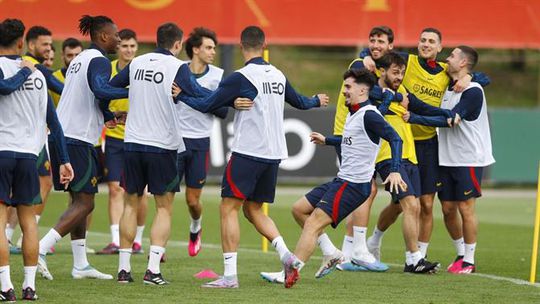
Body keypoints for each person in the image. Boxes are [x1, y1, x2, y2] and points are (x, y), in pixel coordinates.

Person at [179, 25, 329, 289]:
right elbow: (301, 102)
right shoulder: (277, 74)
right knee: (253, 209)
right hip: (273, 154)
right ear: (265, 45)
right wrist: (317, 100)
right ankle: (287, 255)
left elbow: (207, 104)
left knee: (228, 208)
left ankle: (229, 277)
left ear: (240, 46)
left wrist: (182, 96)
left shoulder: (240, 77)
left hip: (248, 152)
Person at [363, 28, 490, 260]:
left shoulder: (445, 70)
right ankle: (374, 240)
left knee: (427, 204)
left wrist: (470, 76)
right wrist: (366, 56)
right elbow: (378, 53)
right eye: (422, 40)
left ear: (440, 48)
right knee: (401, 203)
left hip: (430, 144)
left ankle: (420, 255)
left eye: (431, 41)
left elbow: (483, 77)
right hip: (404, 142)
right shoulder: (408, 62)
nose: (426, 44)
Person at [281, 68, 406, 288]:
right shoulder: (355, 112)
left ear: (362, 90)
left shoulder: (369, 115)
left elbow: (395, 139)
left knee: (312, 223)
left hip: (354, 185)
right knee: (299, 210)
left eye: (348, 87)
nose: (344, 91)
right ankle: (330, 253)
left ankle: (292, 270)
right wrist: (327, 140)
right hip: (342, 181)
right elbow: (351, 140)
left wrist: (395, 170)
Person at [110, 22, 211, 285]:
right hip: (162, 146)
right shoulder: (177, 67)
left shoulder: (137, 62)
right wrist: (231, 98)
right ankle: (152, 270)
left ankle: (123, 270)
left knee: (130, 204)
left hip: (131, 143)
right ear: (178, 45)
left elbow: (112, 86)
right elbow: (200, 95)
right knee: (164, 208)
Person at [37, 15, 128, 281]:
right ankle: (41, 248)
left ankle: (80, 265)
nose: (119, 39)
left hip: (65, 136)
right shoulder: (99, 60)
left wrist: (108, 114)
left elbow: (92, 96)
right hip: (77, 138)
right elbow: (100, 88)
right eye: (116, 34)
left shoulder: (79, 60)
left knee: (80, 200)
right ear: (103, 37)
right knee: (86, 202)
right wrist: (135, 90)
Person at [403, 46, 495, 274]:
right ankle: (461, 253)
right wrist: (409, 101)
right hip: (447, 158)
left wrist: (413, 117)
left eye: (452, 55)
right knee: (446, 209)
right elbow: (435, 111)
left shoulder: (472, 91)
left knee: (466, 207)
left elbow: (451, 120)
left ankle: (470, 261)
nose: (448, 58)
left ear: (463, 62)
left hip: (468, 158)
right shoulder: (450, 88)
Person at [0, 18, 73, 301]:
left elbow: (4, 88)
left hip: (3, 152)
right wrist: (63, 159)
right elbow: (54, 122)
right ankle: (29, 286)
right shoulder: (39, 75)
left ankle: (6, 287)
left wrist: (25, 72)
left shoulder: (27, 71)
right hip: (29, 157)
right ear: (21, 42)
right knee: (29, 221)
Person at [177, 27, 228, 257]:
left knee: (192, 200)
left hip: (200, 143)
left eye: (214, 48)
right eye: (208, 47)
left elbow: (222, 110)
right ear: (195, 49)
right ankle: (158, 249)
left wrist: (192, 95)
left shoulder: (217, 76)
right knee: (164, 197)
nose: (213, 52)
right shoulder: (177, 71)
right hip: (175, 140)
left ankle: (195, 227)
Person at [97, 29, 149, 256]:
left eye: (132, 46)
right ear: (117, 48)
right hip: (116, 138)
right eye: (124, 46)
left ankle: (137, 239)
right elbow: (101, 96)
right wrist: (111, 116)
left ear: (137, 49)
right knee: (115, 189)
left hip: (139, 137)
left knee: (141, 192)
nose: (128, 50)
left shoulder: (142, 70)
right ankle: (117, 240)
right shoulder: (108, 70)